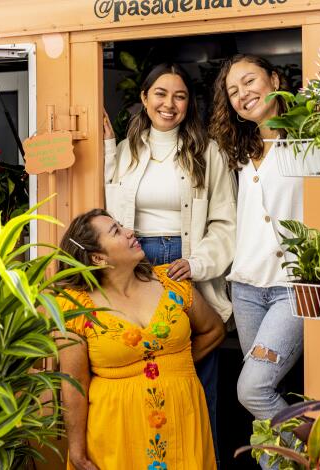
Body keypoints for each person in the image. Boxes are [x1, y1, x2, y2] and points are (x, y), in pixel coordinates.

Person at [103, 62, 237, 463]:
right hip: (135, 265)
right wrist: (107, 150)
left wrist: (196, 264)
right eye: (160, 93)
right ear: (144, 99)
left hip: (184, 264)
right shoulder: (125, 152)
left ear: (188, 104)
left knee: (196, 379)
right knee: (140, 370)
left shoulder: (207, 151)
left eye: (179, 96)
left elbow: (226, 222)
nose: (169, 103)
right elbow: (108, 212)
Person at [56, 208, 225, 470]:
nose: (129, 232)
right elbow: (74, 385)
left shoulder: (171, 282)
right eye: (116, 231)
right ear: (98, 257)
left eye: (121, 226)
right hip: (116, 433)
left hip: (181, 422)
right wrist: (77, 452)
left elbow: (213, 330)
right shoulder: (76, 308)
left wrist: (172, 368)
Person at [209, 54, 304, 468]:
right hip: (246, 288)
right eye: (233, 91)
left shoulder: (307, 138)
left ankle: (313, 459)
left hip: (292, 288)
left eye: (250, 81)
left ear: (275, 78)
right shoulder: (238, 150)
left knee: (253, 389)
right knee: (257, 401)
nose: (243, 94)